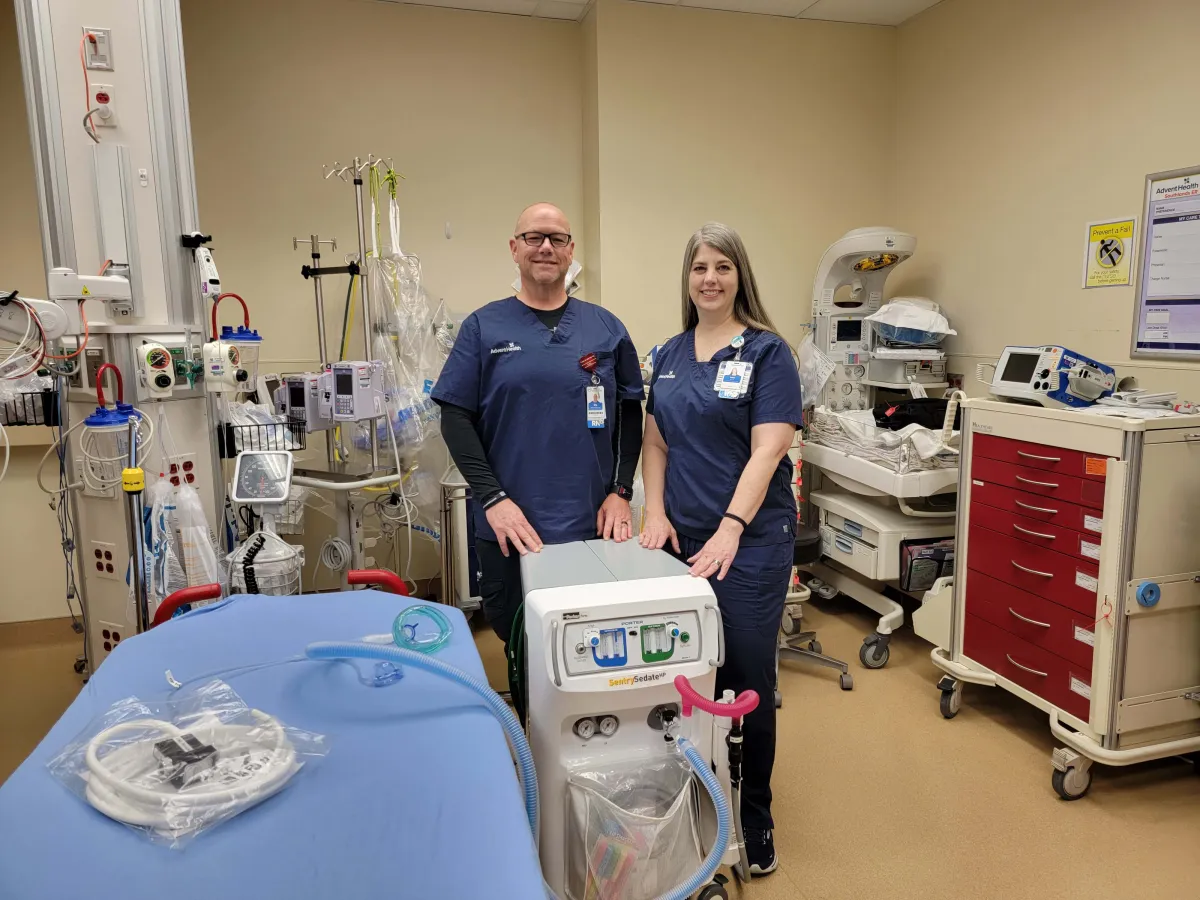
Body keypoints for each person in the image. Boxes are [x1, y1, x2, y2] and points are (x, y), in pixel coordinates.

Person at [431, 202, 644, 711]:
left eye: (557, 238)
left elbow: (630, 413)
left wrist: (621, 491)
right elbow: (455, 418)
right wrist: (493, 499)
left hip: (589, 524)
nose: (545, 247)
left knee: (590, 646)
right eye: (533, 237)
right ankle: (530, 739)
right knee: (520, 640)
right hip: (511, 527)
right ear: (514, 249)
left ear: (571, 251)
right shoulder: (483, 327)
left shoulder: (605, 328)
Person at [639, 222, 802, 875]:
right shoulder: (669, 354)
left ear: (740, 277)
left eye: (722, 267)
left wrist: (732, 526)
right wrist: (655, 511)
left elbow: (770, 449)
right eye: (699, 267)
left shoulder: (767, 353)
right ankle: (695, 791)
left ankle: (755, 813)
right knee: (682, 671)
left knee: (745, 677)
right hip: (682, 539)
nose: (710, 278)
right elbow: (656, 441)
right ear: (688, 278)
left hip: (751, 541)